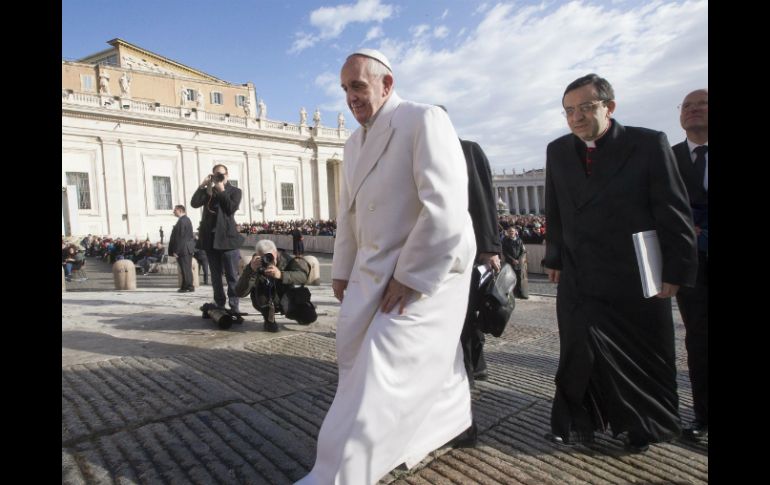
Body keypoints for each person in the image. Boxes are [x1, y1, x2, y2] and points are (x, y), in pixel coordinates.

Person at [296, 49, 476, 484]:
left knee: (383, 365)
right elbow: (351, 214)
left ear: (386, 84)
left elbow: (446, 208)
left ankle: (342, 472)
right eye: (344, 89)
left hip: (430, 267)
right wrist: (341, 269)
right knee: (375, 356)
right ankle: (449, 424)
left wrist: (411, 277)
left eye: (358, 86)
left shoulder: (423, 119)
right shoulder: (354, 142)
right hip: (377, 266)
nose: (350, 97)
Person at [542, 73, 697, 453]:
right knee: (577, 350)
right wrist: (555, 256)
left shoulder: (647, 144)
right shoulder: (558, 150)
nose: (575, 117)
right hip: (580, 270)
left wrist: (676, 270)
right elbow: (556, 209)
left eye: (585, 108)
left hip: (634, 272)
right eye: (568, 111)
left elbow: (672, 210)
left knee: (642, 353)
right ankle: (577, 422)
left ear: (609, 106)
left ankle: (642, 425)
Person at [672, 89, 708, 442]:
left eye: (702, 104)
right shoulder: (669, 158)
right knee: (698, 341)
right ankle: (703, 413)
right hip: (693, 265)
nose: (693, 110)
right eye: (687, 106)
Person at [190, 164, 245, 313]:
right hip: (210, 240)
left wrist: (221, 190)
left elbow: (230, 208)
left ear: (227, 175)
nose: (219, 177)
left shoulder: (235, 191)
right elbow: (194, 203)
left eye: (221, 174)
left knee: (232, 276)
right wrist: (202, 186)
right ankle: (220, 304)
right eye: (216, 175)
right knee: (215, 277)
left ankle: (234, 307)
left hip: (228, 240)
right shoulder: (209, 191)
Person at [235, 239, 310, 332]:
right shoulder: (255, 263)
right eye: (263, 257)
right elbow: (239, 292)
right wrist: (251, 270)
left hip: (284, 295)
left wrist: (281, 275)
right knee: (261, 294)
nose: (267, 260)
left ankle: (293, 312)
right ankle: (269, 319)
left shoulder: (285, 259)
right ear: (258, 255)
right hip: (264, 298)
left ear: (275, 252)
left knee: (308, 316)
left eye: (270, 256)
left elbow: (303, 276)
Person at [168, 205, 196, 292]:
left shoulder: (183, 221)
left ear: (180, 210)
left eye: (175, 210)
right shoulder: (184, 220)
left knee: (185, 268)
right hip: (185, 248)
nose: (173, 212)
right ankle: (187, 286)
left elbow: (181, 237)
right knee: (185, 268)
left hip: (183, 249)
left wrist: (176, 250)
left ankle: (188, 286)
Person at [501, 226, 528, 298]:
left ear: (515, 232)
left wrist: (519, 260)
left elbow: (523, 251)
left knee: (519, 278)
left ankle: (520, 293)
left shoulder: (520, 240)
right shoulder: (505, 241)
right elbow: (505, 252)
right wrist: (512, 260)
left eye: (512, 231)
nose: (511, 233)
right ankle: (510, 294)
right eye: (510, 231)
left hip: (519, 263)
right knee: (510, 278)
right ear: (507, 232)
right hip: (510, 262)